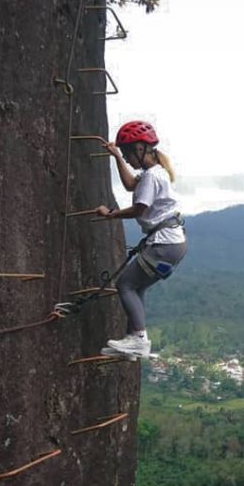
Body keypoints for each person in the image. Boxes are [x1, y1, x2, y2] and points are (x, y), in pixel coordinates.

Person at [94, 120, 186, 358]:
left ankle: (138, 339)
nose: (127, 158)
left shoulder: (152, 177)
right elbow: (129, 185)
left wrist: (110, 214)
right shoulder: (154, 174)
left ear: (140, 148)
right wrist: (116, 156)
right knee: (137, 286)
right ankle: (132, 340)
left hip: (164, 244)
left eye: (127, 153)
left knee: (125, 284)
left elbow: (139, 209)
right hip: (171, 243)